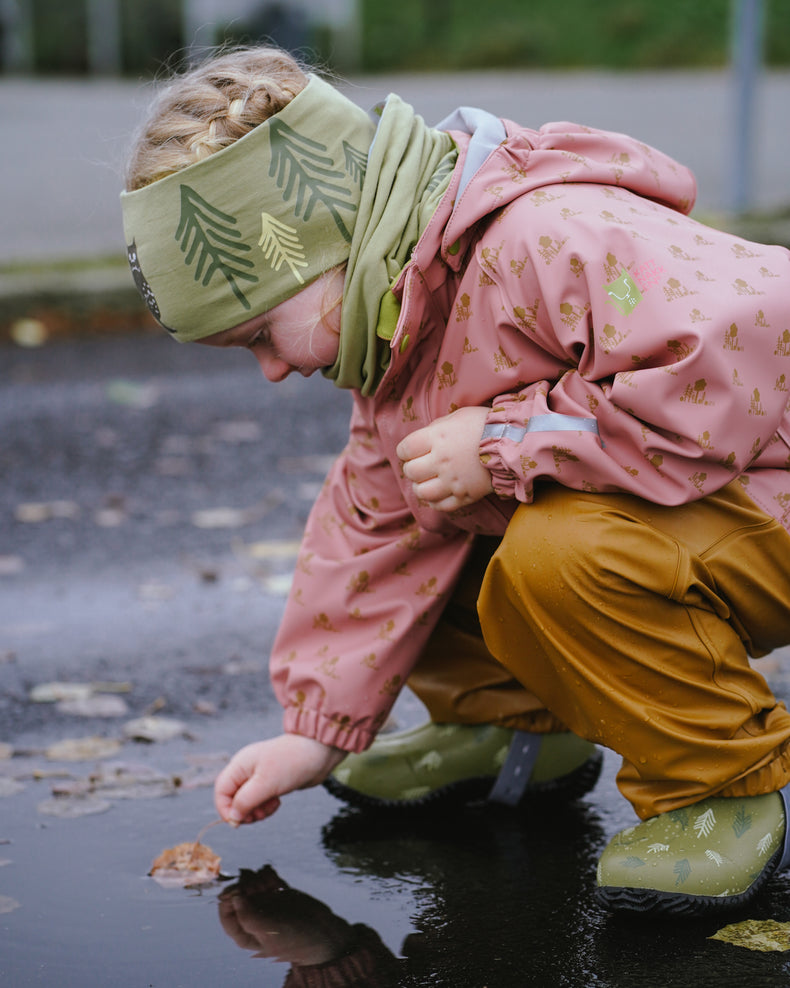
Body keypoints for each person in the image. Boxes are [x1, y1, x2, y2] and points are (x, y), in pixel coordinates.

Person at [121, 45, 790, 916]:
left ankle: (722, 789)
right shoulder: (397, 332)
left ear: (326, 249)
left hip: (761, 491)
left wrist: (512, 438)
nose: (271, 372)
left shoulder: (543, 238)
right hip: (695, 511)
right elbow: (370, 531)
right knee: (427, 506)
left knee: (555, 549)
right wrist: (315, 734)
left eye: (259, 335)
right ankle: (509, 727)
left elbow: (725, 357)